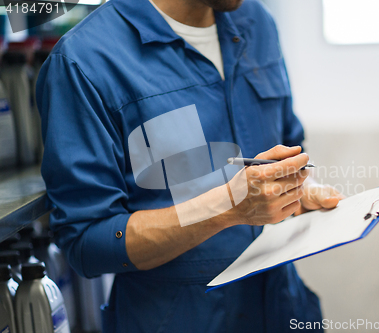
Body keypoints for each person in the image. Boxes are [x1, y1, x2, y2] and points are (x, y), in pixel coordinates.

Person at [36, 0, 344, 331]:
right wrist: (227, 206)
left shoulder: (256, 22)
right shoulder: (85, 60)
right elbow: (88, 243)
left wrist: (298, 190)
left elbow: (288, 142)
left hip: (281, 306)